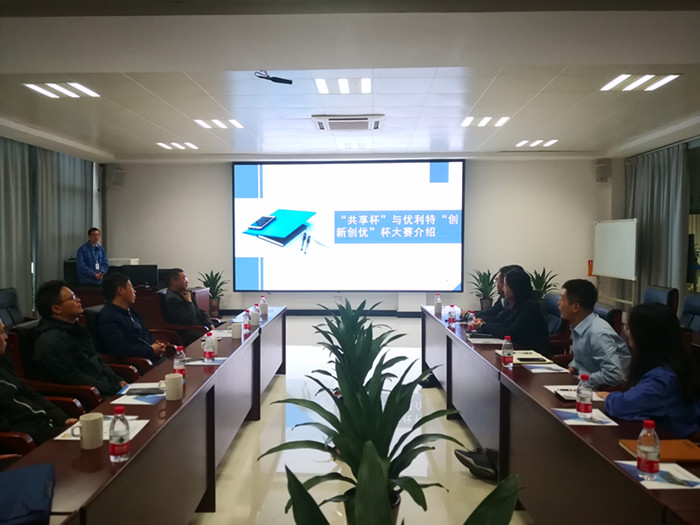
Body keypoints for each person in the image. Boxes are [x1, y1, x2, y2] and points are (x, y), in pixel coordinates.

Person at [599, 303, 700, 438]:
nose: (627, 333)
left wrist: (609, 397)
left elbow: (622, 406)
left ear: (645, 336)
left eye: (628, 328)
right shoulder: (673, 365)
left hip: (671, 444)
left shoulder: (662, 379)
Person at [32, 280, 127, 396]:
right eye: (72, 298)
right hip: (88, 397)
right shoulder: (51, 340)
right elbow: (74, 378)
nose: (78, 300)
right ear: (56, 309)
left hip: (105, 390)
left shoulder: (76, 329)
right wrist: (113, 389)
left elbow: (97, 360)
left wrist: (118, 380)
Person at [0, 320, 78, 447]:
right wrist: (52, 433)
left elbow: (31, 394)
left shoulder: (2, 361)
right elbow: (7, 430)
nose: (6, 336)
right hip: (27, 442)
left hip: (47, 427)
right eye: (1, 333)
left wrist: (63, 419)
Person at [558, 279, 630, 389]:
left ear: (575, 307)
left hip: (606, 391)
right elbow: (584, 358)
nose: (559, 303)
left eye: (562, 300)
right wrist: (572, 368)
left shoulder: (598, 333)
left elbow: (614, 375)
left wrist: (580, 379)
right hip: (586, 386)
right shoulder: (579, 326)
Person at [473, 268, 551, 356]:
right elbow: (504, 324)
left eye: (505, 285)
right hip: (521, 351)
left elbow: (509, 332)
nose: (503, 289)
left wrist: (483, 326)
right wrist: (483, 324)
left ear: (515, 288)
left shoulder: (529, 307)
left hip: (535, 356)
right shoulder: (518, 304)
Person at [98, 273, 167, 363]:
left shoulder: (131, 311)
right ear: (121, 290)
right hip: (140, 364)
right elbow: (120, 349)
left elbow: (145, 332)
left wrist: (156, 344)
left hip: (151, 357)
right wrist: (151, 350)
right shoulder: (109, 317)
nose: (134, 291)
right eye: (131, 288)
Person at [163, 268, 214, 346]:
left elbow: (200, 312)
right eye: (183, 278)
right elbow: (189, 319)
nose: (187, 281)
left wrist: (210, 325)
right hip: (190, 332)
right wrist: (189, 302)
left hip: (200, 326)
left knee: (225, 328)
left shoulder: (185, 293)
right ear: (173, 281)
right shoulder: (172, 299)